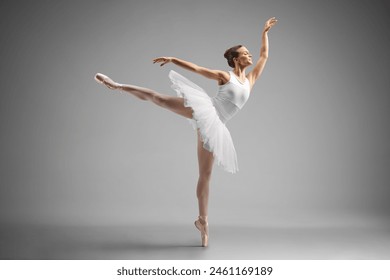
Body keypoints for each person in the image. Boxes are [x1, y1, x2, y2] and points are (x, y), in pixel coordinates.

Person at [94, 17, 277, 247]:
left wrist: (264, 32)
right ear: (235, 59)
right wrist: (173, 59)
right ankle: (118, 86)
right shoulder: (225, 76)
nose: (249, 55)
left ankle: (203, 222)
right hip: (207, 110)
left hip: (216, 126)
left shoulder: (250, 79)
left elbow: (264, 55)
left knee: (206, 175)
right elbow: (199, 70)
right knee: (159, 99)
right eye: (245, 53)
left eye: (249, 52)